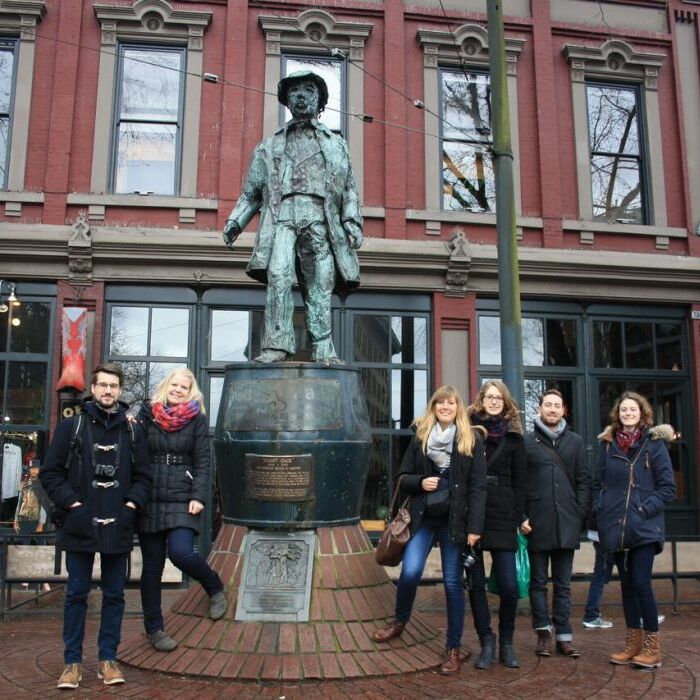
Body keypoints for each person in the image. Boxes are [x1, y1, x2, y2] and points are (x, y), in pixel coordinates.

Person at [223, 70, 363, 363]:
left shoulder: (336, 145)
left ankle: (323, 347)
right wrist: (236, 221)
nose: (301, 96)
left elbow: (349, 189)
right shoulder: (269, 146)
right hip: (282, 218)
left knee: (320, 283)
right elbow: (251, 192)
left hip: (320, 219)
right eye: (294, 91)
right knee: (278, 275)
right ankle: (277, 345)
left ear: (319, 100)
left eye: (308, 90)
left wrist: (352, 222)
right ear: (286, 100)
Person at [40, 363, 151, 689]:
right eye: (102, 385)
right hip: (79, 524)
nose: (108, 390)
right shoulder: (70, 426)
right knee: (76, 594)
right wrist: (73, 505)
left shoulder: (133, 431)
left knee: (114, 595)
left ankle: (108, 660)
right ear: (93, 388)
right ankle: (72, 663)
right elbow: (50, 473)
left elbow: (144, 478)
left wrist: (130, 506)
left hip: (118, 525)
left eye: (113, 386)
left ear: (120, 390)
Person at [372, 385, 487, 675]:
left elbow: (478, 487)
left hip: (454, 522)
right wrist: (421, 481)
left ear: (458, 408)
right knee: (410, 572)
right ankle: (400, 621)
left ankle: (453, 648)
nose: (446, 407)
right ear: (434, 407)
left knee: (452, 584)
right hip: (423, 518)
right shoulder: (421, 436)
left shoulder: (470, 439)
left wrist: (474, 527)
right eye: (440, 403)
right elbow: (403, 477)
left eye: (451, 403)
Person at [137, 368, 227, 652]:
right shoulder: (148, 415)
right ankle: (154, 629)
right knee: (151, 568)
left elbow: (203, 461)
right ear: (166, 386)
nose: (177, 390)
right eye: (174, 384)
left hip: (182, 497)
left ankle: (214, 586)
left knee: (181, 553)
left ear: (191, 392)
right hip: (149, 497)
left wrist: (198, 496)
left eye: (184, 387)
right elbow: (134, 451)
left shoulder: (197, 420)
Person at [594, 391, 675, 669]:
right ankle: (633, 643)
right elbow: (598, 483)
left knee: (641, 582)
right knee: (627, 586)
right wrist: (600, 509)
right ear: (617, 414)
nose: (628, 413)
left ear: (642, 413)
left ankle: (652, 647)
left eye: (633, 409)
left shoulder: (653, 444)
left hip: (644, 527)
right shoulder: (608, 445)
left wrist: (643, 510)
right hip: (616, 526)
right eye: (624, 410)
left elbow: (667, 488)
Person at [523, 388, 590, 658]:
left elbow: (584, 481)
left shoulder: (575, 442)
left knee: (563, 584)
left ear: (564, 410)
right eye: (548, 404)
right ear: (539, 408)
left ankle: (564, 636)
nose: (552, 409)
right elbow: (519, 483)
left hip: (567, 522)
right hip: (537, 522)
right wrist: (522, 517)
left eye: (557, 405)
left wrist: (579, 512)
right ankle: (543, 633)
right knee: (538, 582)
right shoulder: (527, 442)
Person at [466, 380, 527, 669]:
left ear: (505, 403)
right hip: (474, 514)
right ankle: (486, 641)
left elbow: (521, 482)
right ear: (481, 400)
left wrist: (519, 515)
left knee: (510, 586)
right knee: (475, 584)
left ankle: (507, 642)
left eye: (498, 398)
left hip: (503, 514)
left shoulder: (515, 439)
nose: (493, 401)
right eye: (489, 397)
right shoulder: (468, 433)